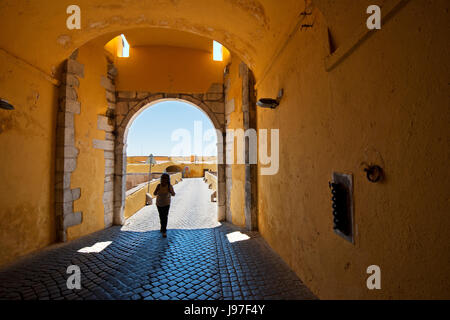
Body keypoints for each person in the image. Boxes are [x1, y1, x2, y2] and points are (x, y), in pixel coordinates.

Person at [153, 173, 176, 238]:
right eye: (163, 178)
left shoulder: (169, 186)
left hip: (166, 203)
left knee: (165, 216)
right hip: (159, 203)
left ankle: (164, 230)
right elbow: (154, 193)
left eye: (165, 178)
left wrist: (171, 192)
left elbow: (173, 194)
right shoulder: (158, 186)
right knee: (161, 216)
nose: (164, 180)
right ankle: (162, 227)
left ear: (167, 179)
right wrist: (156, 191)